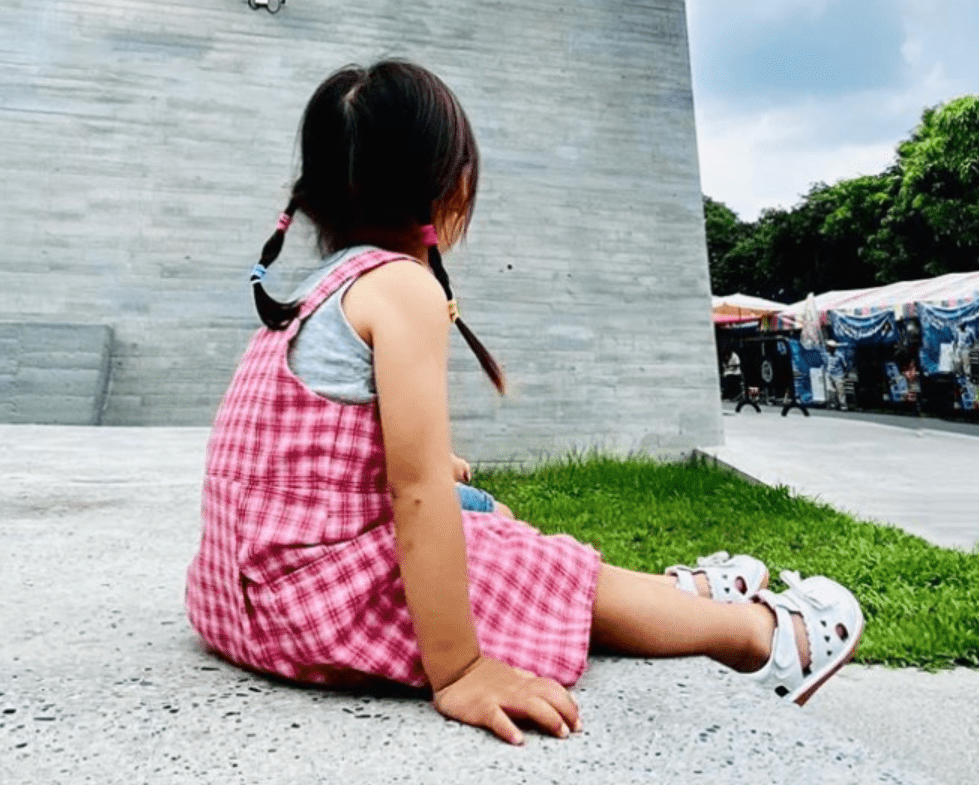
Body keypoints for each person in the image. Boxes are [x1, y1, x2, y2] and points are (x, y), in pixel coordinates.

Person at [185, 60, 864, 744]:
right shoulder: (402, 287)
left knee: (486, 512)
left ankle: (673, 596)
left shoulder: (312, 292)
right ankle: (757, 640)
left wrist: (434, 467)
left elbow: (314, 452)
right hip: (309, 610)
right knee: (525, 559)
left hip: (238, 597)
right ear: (453, 184)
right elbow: (414, 490)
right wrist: (461, 670)